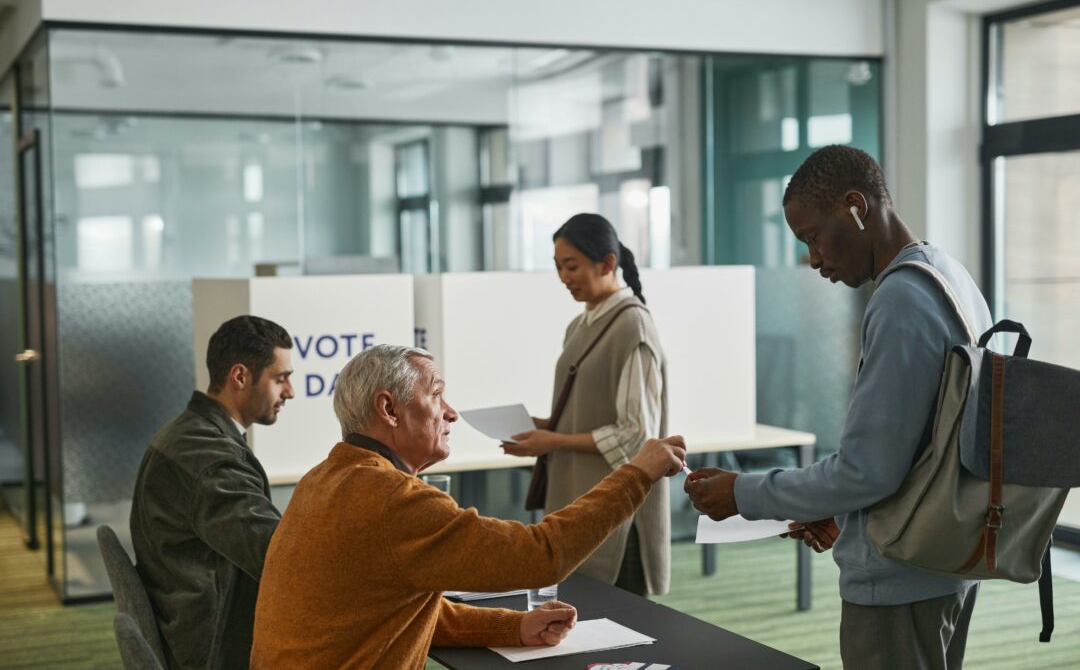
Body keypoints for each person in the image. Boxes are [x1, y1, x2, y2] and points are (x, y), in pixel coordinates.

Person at [685, 145, 992, 669]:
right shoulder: (948, 275)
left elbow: (865, 471)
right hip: (946, 557)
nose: (813, 259)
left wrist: (744, 491)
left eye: (812, 237)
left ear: (857, 206)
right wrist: (839, 507)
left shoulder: (900, 299)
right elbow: (923, 446)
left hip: (898, 578)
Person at [250, 344, 686, 669]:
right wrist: (637, 474)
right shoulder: (389, 499)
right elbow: (541, 555)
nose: (451, 413)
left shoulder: (323, 480)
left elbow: (392, 610)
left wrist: (511, 627)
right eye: (436, 395)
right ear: (389, 409)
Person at [502, 213, 670, 597]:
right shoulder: (580, 325)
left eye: (572, 265)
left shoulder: (633, 327)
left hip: (617, 514)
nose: (564, 277)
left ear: (608, 263)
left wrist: (553, 441)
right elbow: (587, 413)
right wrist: (543, 426)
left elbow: (635, 437)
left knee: (620, 636)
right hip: (581, 503)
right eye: (559, 267)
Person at [130, 315, 295, 670]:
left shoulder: (189, 432)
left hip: (183, 617)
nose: (290, 392)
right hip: (213, 644)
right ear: (240, 377)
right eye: (280, 379)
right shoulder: (211, 460)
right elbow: (278, 557)